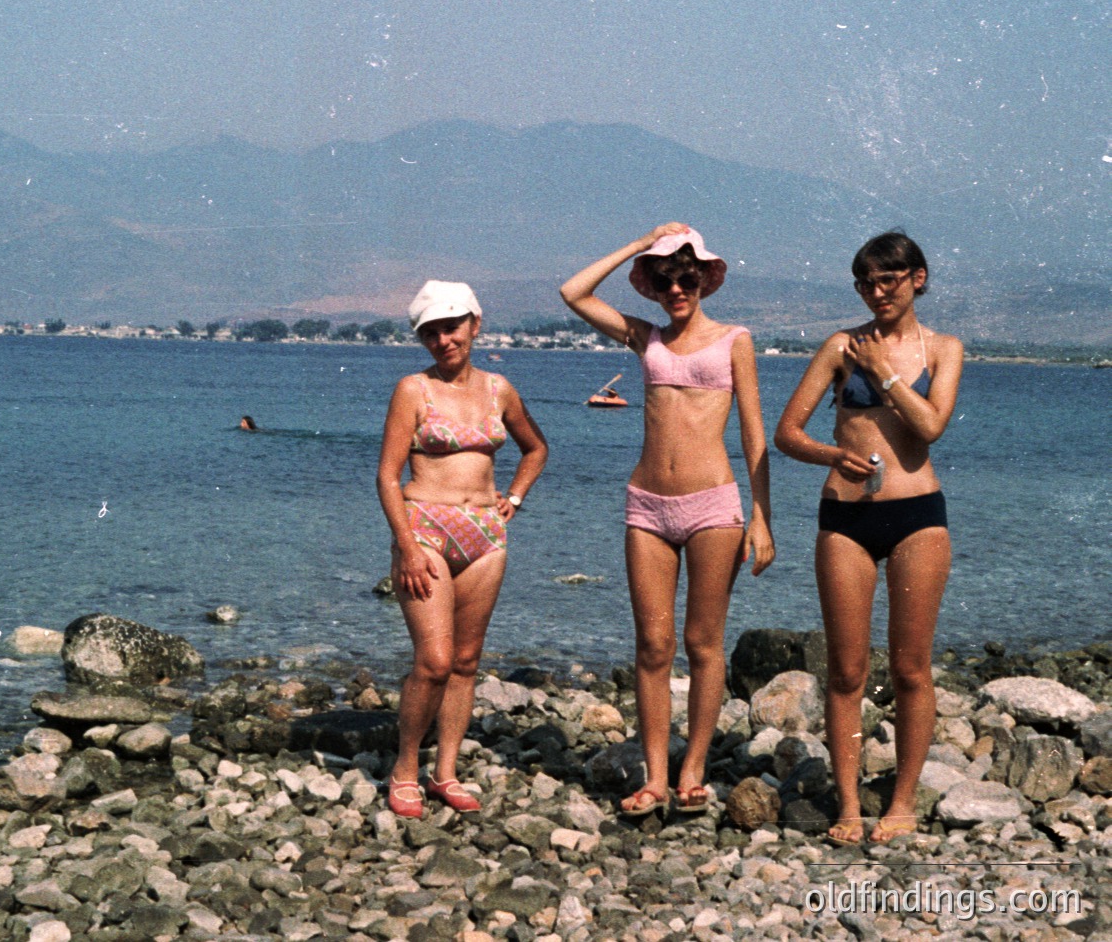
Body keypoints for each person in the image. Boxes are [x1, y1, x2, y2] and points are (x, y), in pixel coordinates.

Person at [560, 223, 774, 818]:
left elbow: (754, 433)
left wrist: (762, 516)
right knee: (653, 644)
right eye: (665, 278)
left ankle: (694, 769)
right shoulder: (645, 338)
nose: (677, 287)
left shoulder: (735, 340)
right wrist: (637, 245)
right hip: (647, 506)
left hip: (714, 506)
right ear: (653, 286)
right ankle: (656, 775)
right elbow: (573, 293)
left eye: (687, 276)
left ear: (705, 278)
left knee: (703, 643)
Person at [774, 231, 962, 846]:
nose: (877, 292)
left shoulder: (945, 348)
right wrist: (833, 453)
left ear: (918, 279)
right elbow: (788, 434)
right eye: (865, 283)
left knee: (910, 668)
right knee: (847, 671)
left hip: (918, 517)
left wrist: (883, 374)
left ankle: (902, 801)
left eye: (888, 280)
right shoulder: (840, 347)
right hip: (845, 518)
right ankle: (849, 804)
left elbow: (930, 426)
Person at [377, 280, 548, 817]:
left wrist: (514, 497)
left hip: (486, 536)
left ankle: (444, 772)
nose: (443, 340)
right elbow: (386, 475)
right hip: (424, 528)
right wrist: (405, 546)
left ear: (475, 323)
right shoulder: (413, 390)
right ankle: (406, 767)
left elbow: (536, 447)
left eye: (451, 327)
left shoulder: (500, 390)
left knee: (467, 662)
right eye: (431, 333)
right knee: (434, 660)